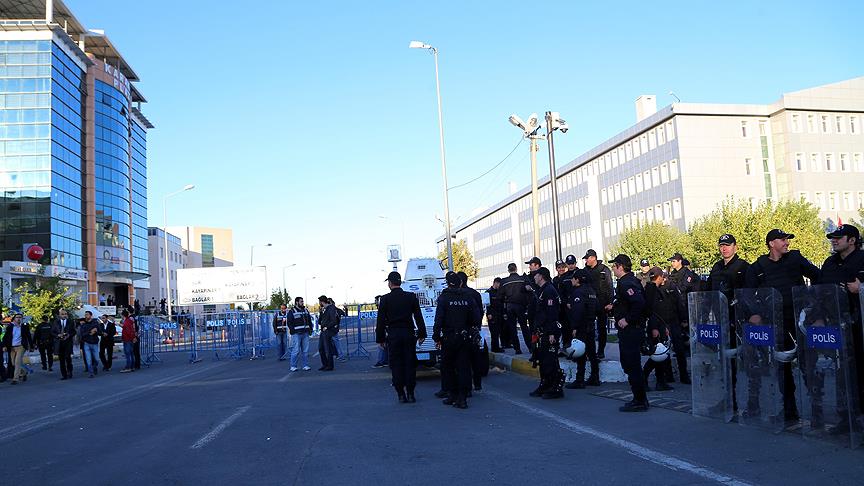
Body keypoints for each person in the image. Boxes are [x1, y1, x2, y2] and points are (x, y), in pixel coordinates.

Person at [744, 229, 821, 424]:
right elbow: (747, 294)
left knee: (809, 366)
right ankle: (789, 411)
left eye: (787, 239)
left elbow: (819, 276)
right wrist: (755, 313)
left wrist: (816, 307)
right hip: (775, 322)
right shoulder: (758, 267)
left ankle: (817, 411)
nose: (787, 242)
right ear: (771, 243)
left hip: (800, 320)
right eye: (783, 239)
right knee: (782, 368)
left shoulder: (795, 259)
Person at [819, 224, 864, 429]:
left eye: (839, 237)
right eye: (832, 237)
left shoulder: (862, 259)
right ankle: (846, 418)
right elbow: (820, 292)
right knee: (842, 373)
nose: (834, 240)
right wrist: (817, 317)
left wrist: (861, 288)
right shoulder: (829, 263)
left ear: (852, 240)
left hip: (860, 326)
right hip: (837, 326)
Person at [705, 233, 749, 409]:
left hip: (739, 320)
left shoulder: (743, 266)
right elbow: (708, 293)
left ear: (735, 247)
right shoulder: (716, 267)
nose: (724, 248)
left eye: (728, 245)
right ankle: (730, 399)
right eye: (722, 245)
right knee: (725, 362)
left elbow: (750, 293)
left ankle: (752, 402)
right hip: (721, 320)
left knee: (748, 362)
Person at [376, 271, 427, 403]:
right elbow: (418, 316)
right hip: (408, 334)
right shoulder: (410, 297)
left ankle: (400, 394)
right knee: (410, 363)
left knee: (396, 364)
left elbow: (380, 321)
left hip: (393, 335)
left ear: (390, 283)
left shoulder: (385, 299)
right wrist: (422, 334)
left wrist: (380, 338)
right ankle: (411, 393)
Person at [610, 254, 650, 412]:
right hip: (630, 330)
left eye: (614, 266)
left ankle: (640, 400)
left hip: (631, 330)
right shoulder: (627, 281)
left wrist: (627, 319)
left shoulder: (627, 282)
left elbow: (638, 303)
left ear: (620, 266)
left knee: (632, 365)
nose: (613, 269)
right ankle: (639, 398)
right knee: (629, 364)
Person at [433, 271, 479, 409]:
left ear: (447, 283)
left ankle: (453, 395)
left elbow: (439, 319)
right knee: (463, 367)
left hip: (449, 338)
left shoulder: (444, 298)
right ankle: (462, 397)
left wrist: (436, 336)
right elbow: (475, 318)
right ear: (459, 283)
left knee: (448, 367)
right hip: (464, 337)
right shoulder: (468, 297)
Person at [642, 267, 688, 391]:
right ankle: (645, 378)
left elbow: (677, 304)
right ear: (659, 277)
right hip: (657, 326)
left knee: (661, 354)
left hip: (664, 324)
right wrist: (654, 328)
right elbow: (651, 311)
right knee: (658, 354)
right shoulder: (651, 290)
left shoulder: (655, 288)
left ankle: (661, 381)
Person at [527, 267, 565, 399]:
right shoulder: (541, 290)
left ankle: (555, 388)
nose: (534, 277)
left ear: (541, 276)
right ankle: (545, 385)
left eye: (536, 275)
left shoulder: (549, 291)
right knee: (543, 361)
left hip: (549, 331)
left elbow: (552, 314)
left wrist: (552, 333)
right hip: (541, 331)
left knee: (550, 361)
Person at [564, 268, 601, 389]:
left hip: (582, 326)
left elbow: (578, 311)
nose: (571, 281)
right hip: (591, 324)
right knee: (591, 353)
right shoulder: (592, 291)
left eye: (573, 279)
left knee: (580, 353)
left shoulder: (578, 292)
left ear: (577, 280)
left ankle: (579, 379)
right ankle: (595, 377)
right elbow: (598, 308)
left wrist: (574, 327)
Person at [585, 249, 613, 359]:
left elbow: (610, 286)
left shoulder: (604, 269)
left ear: (593, 258)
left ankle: (601, 351)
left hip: (602, 303)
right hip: (590, 304)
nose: (586, 260)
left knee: (602, 329)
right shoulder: (585, 270)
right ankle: (590, 351)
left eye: (587, 258)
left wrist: (610, 302)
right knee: (589, 329)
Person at [500, 263, 533, 353]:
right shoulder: (523, 279)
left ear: (508, 270)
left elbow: (500, 296)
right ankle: (530, 347)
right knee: (524, 327)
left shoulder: (504, 281)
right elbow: (529, 290)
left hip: (510, 306)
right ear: (516, 269)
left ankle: (517, 349)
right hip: (521, 306)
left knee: (512, 328)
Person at [3, 314, 34, 385]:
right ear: (14, 319)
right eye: (17, 317)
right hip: (12, 347)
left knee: (17, 362)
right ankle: (24, 372)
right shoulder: (10, 327)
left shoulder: (24, 327)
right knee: (13, 363)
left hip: (21, 346)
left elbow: (29, 337)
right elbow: (6, 337)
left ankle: (15, 379)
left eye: (20, 318)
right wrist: (4, 346)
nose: (19, 319)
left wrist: (31, 347)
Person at [287, 297, 313, 371]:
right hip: (296, 334)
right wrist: (293, 331)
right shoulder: (292, 311)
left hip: (305, 333)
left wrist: (310, 329)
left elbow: (309, 321)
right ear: (296, 302)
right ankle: (293, 366)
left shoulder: (305, 310)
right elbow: (289, 322)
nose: (303, 303)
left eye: (303, 301)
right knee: (296, 350)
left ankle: (305, 365)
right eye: (301, 301)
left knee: (305, 350)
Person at [79, 311, 104, 378]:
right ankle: (91, 373)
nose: (86, 316)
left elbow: (100, 332)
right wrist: (90, 332)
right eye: (85, 315)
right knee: (88, 359)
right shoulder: (83, 325)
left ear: (91, 315)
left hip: (94, 343)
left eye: (87, 315)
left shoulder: (95, 323)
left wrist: (96, 331)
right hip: (86, 343)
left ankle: (94, 367)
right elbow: (82, 335)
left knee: (96, 359)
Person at [52, 309, 75, 380]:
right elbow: (52, 332)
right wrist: (58, 335)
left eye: (65, 314)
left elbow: (74, 331)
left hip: (67, 343)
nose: (64, 315)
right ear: (59, 315)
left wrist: (69, 335)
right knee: (61, 360)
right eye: (62, 314)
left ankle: (69, 372)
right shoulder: (56, 322)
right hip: (59, 344)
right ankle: (64, 375)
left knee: (68, 359)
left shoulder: (70, 322)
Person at [317, 296, 338, 371]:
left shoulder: (331, 308)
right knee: (321, 348)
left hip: (328, 331)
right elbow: (320, 321)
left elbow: (334, 321)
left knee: (328, 349)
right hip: (323, 331)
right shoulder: (324, 310)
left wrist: (327, 327)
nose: (319, 304)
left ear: (322, 302)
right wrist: (321, 312)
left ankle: (330, 365)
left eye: (319, 302)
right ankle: (325, 364)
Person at [486, 278, 504, 352]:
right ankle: (495, 348)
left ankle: (497, 346)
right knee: (494, 332)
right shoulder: (488, 292)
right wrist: (489, 314)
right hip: (492, 315)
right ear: (495, 283)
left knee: (498, 331)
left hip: (499, 314)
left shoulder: (499, 292)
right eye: (499, 284)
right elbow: (486, 305)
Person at [372, 295, 389, 368]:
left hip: (384, 330)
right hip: (385, 329)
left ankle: (381, 362)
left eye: (376, 300)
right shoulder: (385, 307)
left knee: (381, 346)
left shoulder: (383, 308)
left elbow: (382, 322)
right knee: (385, 346)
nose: (375, 302)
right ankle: (385, 361)